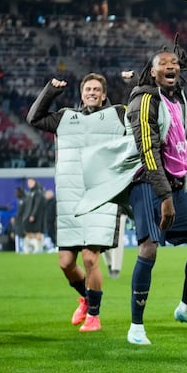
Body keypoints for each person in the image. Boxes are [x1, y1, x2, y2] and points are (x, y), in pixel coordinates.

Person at [125, 44, 187, 345]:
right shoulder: (143, 99)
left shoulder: (179, 99)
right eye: (164, 63)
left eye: (174, 62)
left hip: (174, 185)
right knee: (149, 249)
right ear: (152, 72)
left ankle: (186, 308)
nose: (171, 66)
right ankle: (136, 327)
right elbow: (147, 151)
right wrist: (164, 197)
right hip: (147, 184)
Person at [27, 73, 130, 332]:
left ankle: (94, 316)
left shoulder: (117, 115)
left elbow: (141, 118)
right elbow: (34, 118)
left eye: (97, 89)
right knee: (65, 262)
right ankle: (85, 298)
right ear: (82, 93)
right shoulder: (65, 117)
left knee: (90, 258)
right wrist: (50, 90)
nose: (92, 92)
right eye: (88, 89)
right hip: (70, 199)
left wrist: (133, 83)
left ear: (104, 94)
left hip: (101, 196)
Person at [21, 178, 46, 254]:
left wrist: (33, 215)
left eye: (31, 182)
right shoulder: (30, 193)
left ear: (35, 182)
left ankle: (38, 248)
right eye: (28, 182)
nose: (29, 184)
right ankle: (33, 248)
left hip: (37, 217)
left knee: (38, 232)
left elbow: (37, 205)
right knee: (28, 232)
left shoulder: (38, 192)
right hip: (29, 216)